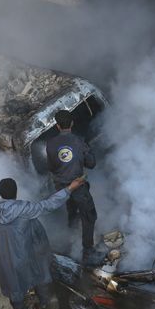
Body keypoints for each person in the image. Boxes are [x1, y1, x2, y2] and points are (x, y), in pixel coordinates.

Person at [0, 176, 84, 309]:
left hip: (2, 250)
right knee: (39, 270)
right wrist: (70, 188)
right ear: (16, 192)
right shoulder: (24, 209)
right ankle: (46, 301)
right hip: (21, 251)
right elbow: (48, 205)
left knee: (11, 278)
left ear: (0, 193)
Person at [45, 110, 99, 262]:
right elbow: (92, 164)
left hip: (61, 187)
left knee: (71, 211)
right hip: (78, 186)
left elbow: (51, 167)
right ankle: (87, 252)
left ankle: (72, 234)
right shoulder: (79, 141)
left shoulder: (50, 144)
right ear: (72, 123)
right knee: (89, 216)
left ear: (57, 126)